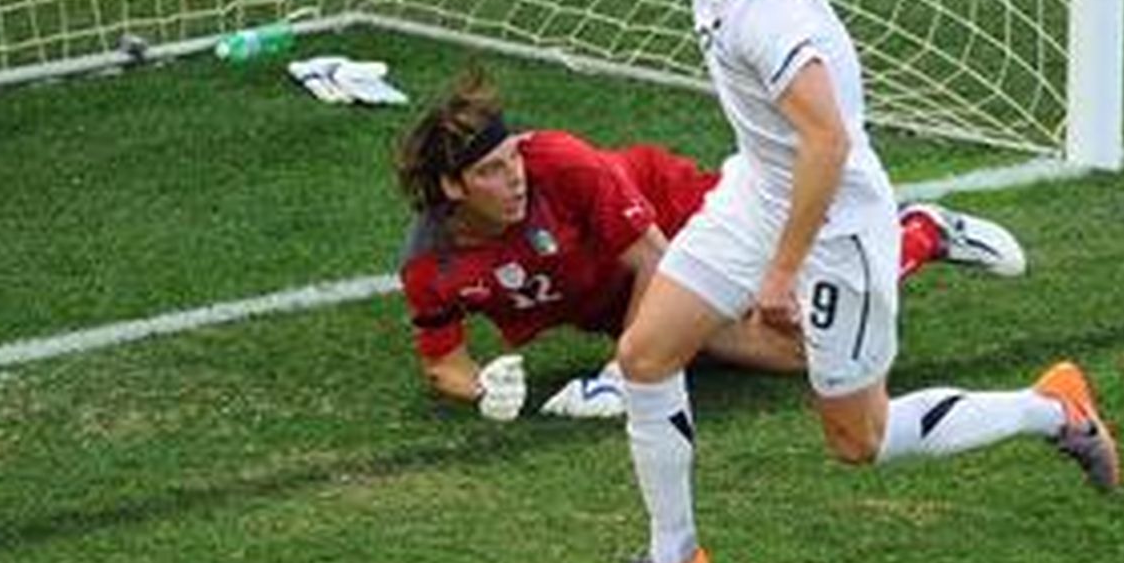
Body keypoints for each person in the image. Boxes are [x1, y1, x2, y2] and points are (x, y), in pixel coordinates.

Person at [432, 0, 1121, 563]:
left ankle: (1051, 408)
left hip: (834, 217)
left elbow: (827, 142)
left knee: (859, 439)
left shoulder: (771, 12)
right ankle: (675, 555)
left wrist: (781, 273)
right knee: (647, 354)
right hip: (760, 187)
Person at [396, 69, 1025, 423]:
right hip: (633, 301)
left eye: (513, 159)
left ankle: (920, 233)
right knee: (802, 355)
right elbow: (442, 360)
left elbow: (653, 257)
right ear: (452, 187)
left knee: (821, 338)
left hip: (687, 223)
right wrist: (481, 389)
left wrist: (621, 376)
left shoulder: (562, 163)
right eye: (493, 173)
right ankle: (918, 235)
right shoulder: (431, 263)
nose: (516, 178)